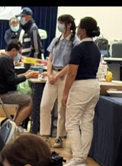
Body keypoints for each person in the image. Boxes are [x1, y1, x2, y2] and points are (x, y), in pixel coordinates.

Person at [62, 17, 102, 166]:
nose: (77, 30)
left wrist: (65, 93)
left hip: (81, 86)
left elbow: (71, 73)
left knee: (71, 123)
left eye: (78, 27)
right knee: (87, 122)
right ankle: (82, 157)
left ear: (83, 30)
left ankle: (78, 157)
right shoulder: (96, 48)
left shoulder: (78, 49)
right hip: (93, 85)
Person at [39, 14, 80, 148]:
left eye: (62, 23)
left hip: (65, 76)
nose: (59, 25)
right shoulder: (56, 40)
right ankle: (45, 135)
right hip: (52, 76)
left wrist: (58, 76)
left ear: (69, 25)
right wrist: (50, 74)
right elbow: (50, 59)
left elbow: (72, 64)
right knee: (45, 105)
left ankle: (59, 136)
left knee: (62, 108)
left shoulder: (75, 42)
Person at [0, 41, 38, 127]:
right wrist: (27, 77)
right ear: (13, 50)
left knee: (23, 99)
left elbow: (11, 77)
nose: (20, 55)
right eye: (19, 52)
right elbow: (13, 80)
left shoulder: (3, 58)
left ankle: (14, 124)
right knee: (29, 101)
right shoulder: (6, 60)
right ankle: (14, 127)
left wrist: (25, 74)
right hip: (2, 94)